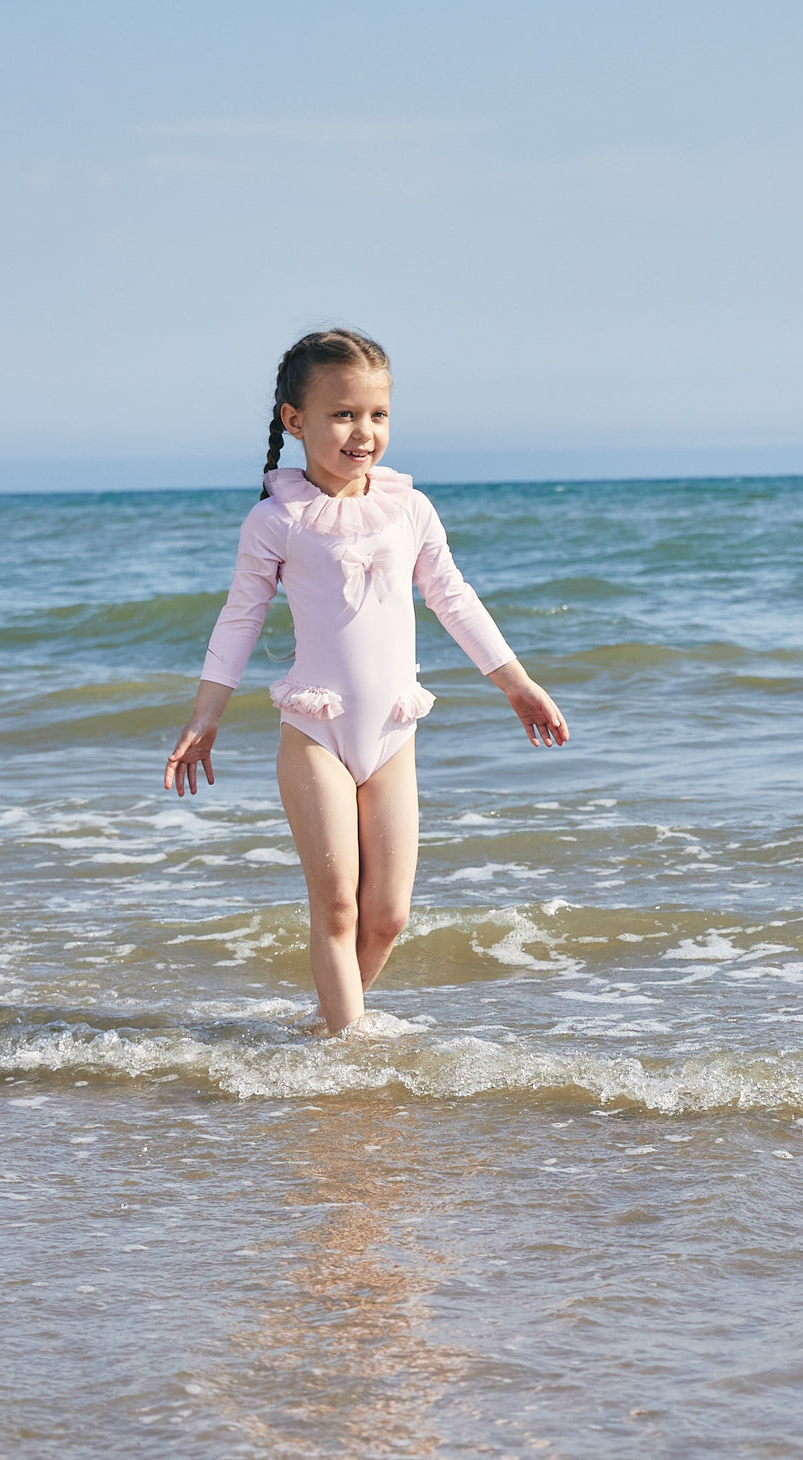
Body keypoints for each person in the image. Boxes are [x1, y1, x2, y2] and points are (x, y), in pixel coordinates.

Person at [164, 329, 568, 1033]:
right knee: (338, 907)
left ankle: (321, 1033)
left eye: (378, 414)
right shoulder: (276, 519)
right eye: (344, 414)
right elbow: (240, 618)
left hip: (391, 734)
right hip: (315, 732)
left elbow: (453, 598)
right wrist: (206, 715)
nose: (364, 432)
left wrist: (516, 683)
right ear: (295, 420)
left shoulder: (410, 508)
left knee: (387, 917)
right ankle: (347, 1056)